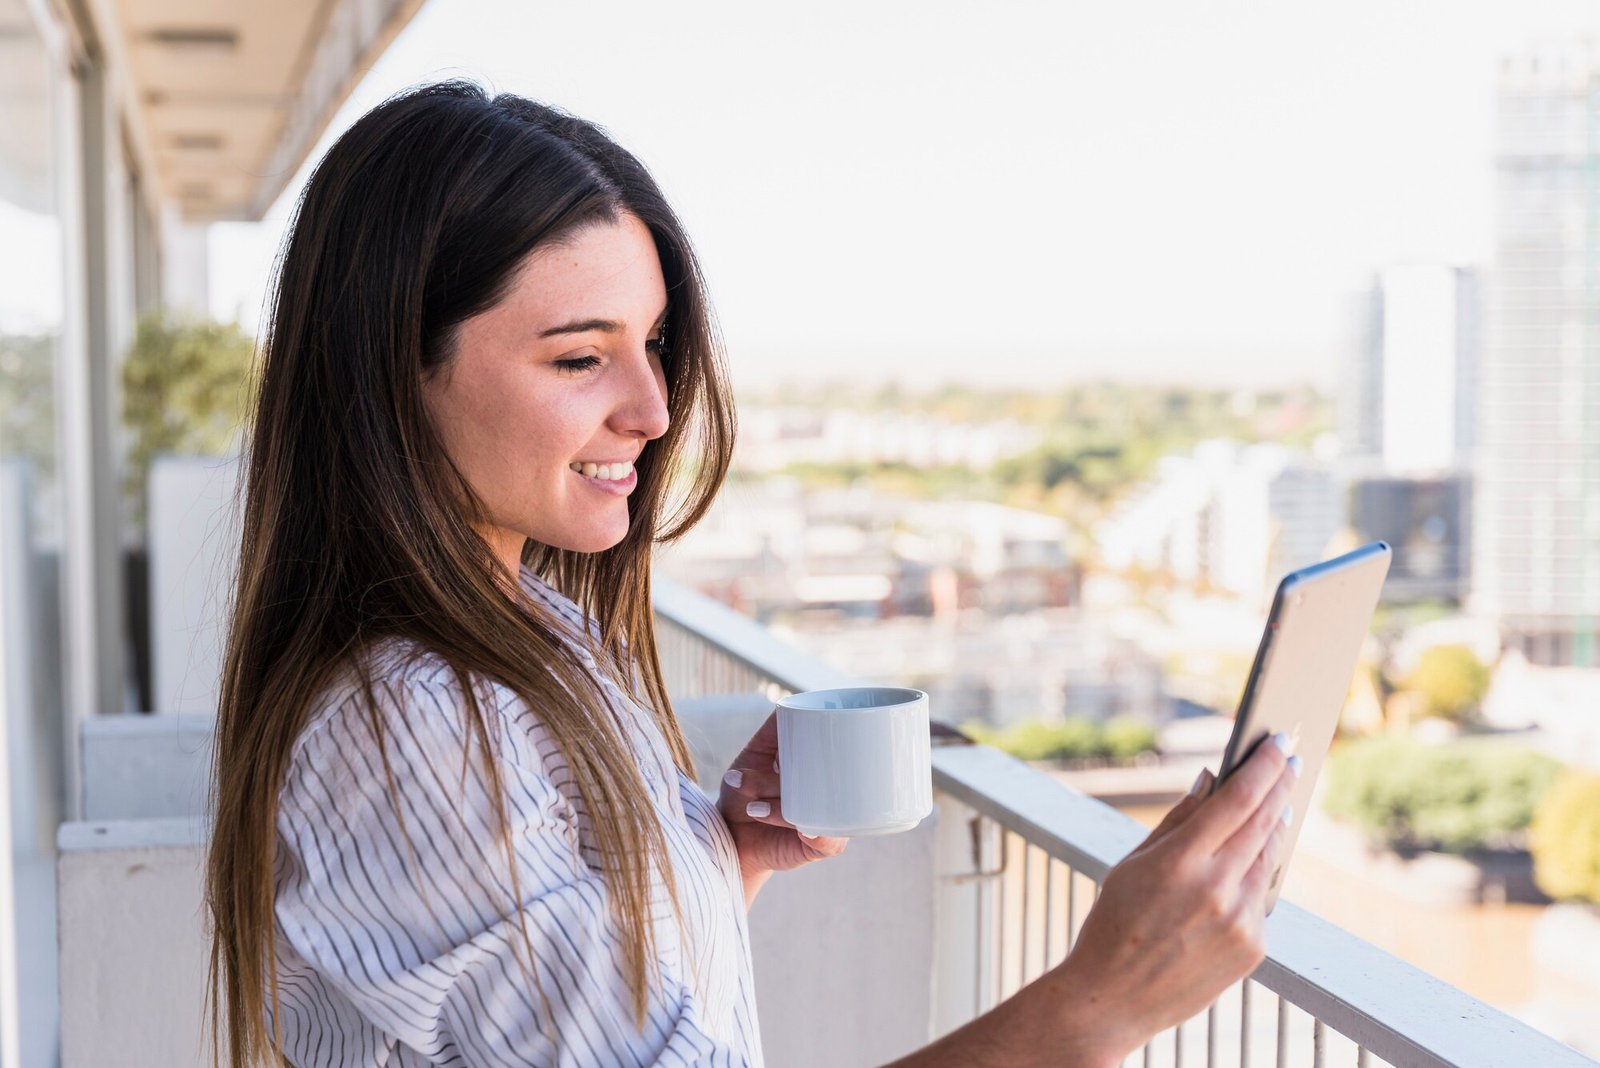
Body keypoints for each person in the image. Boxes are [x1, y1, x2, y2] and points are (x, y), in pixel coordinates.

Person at [205, 80, 1298, 1068]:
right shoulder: (414, 723)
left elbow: (540, 1001)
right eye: (580, 356)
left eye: (653, 343)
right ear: (395, 373)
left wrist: (721, 857)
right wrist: (1097, 1004)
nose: (652, 407)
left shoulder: (527, 625)